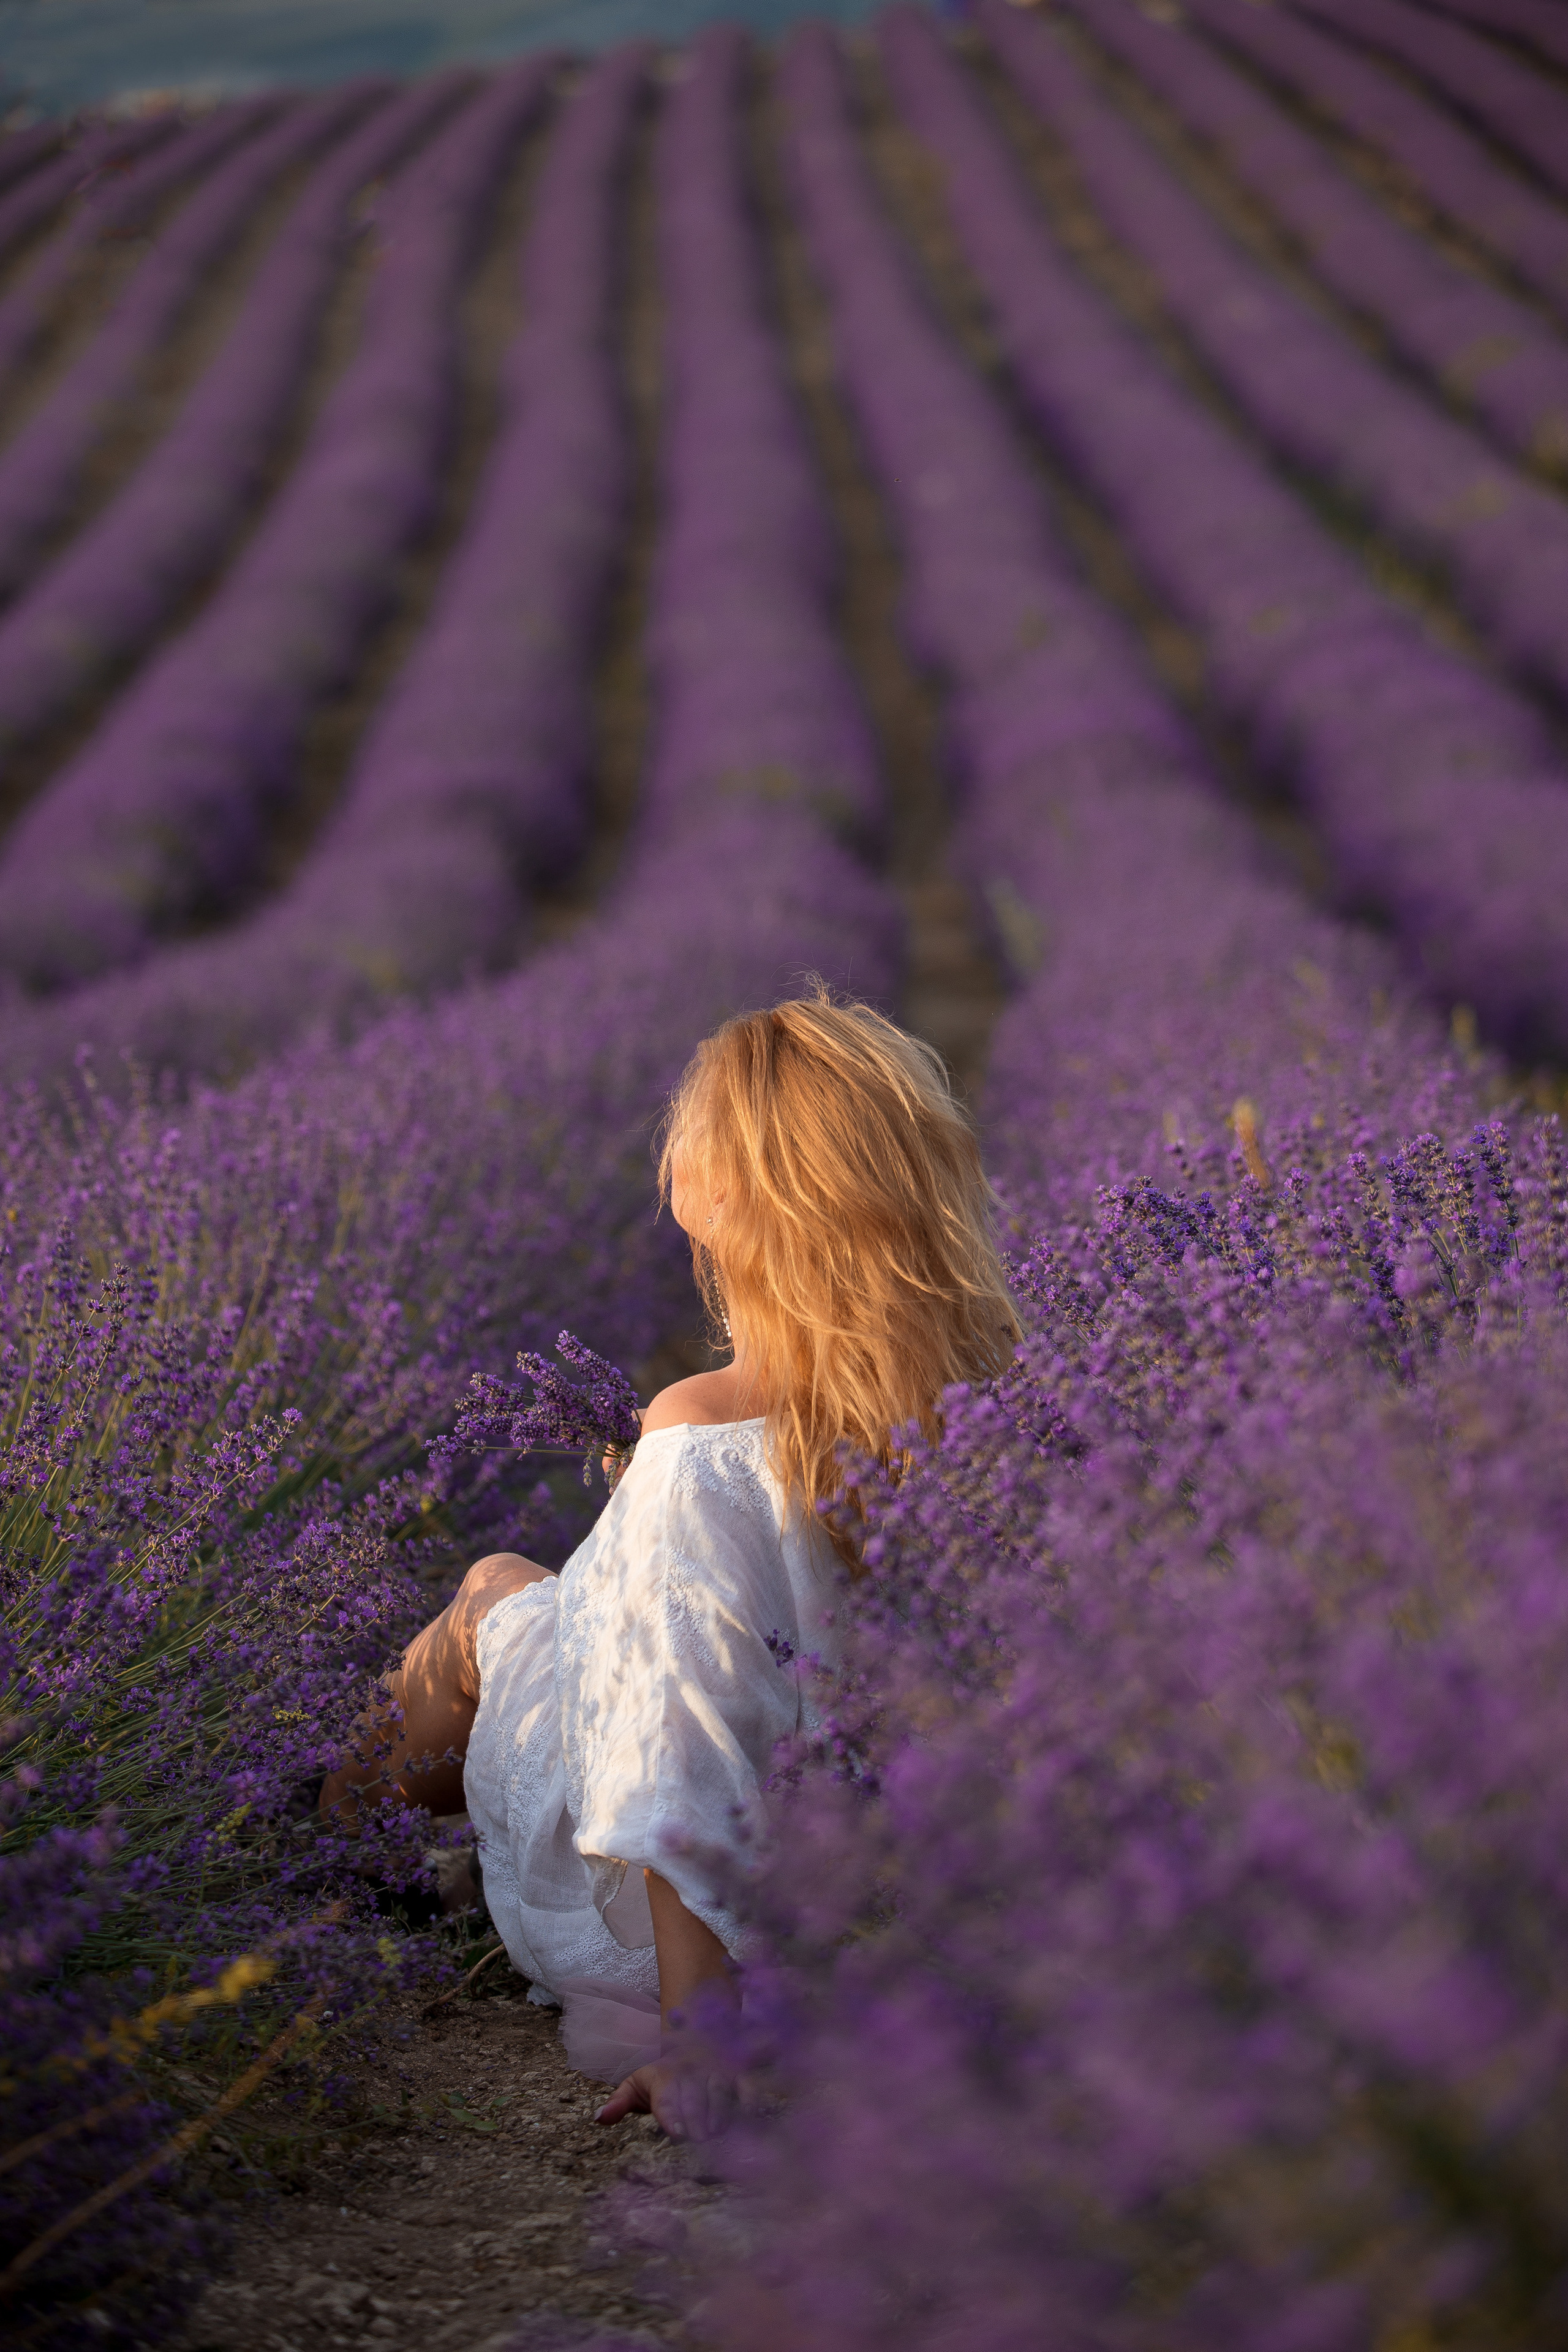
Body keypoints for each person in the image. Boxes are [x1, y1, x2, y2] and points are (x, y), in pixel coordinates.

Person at [320, 989, 1019, 2137]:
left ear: (720, 1199)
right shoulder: (1001, 1393)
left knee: (496, 1593)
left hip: (705, 1930)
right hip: (919, 1906)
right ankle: (375, 1843)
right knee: (551, 1604)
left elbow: (672, 1729)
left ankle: (317, 1856)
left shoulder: (699, 1430)